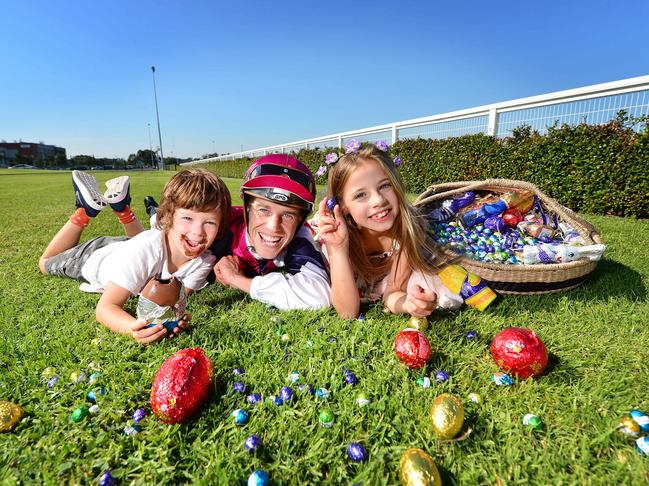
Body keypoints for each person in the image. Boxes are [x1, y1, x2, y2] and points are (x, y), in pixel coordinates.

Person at [39, 169, 231, 344]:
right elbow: (106, 308)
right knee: (45, 263)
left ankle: (122, 209)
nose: (198, 232)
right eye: (187, 218)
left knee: (146, 251)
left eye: (209, 222)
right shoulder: (145, 250)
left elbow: (172, 300)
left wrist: (176, 316)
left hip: (130, 246)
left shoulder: (204, 262)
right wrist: (132, 329)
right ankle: (85, 211)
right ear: (167, 218)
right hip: (95, 256)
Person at [146, 154, 331, 310]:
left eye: (289, 215)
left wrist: (236, 279)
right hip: (163, 220)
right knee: (158, 221)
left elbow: (320, 295)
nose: (274, 226)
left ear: (301, 219)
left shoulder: (301, 237)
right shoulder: (221, 224)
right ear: (247, 208)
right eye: (263, 210)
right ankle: (152, 210)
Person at [314, 142, 463, 319]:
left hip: (389, 268)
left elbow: (394, 290)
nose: (378, 200)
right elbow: (347, 313)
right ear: (343, 206)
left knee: (427, 278)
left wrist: (407, 304)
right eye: (360, 195)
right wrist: (338, 250)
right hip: (332, 242)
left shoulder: (404, 232)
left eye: (385, 185)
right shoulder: (335, 234)